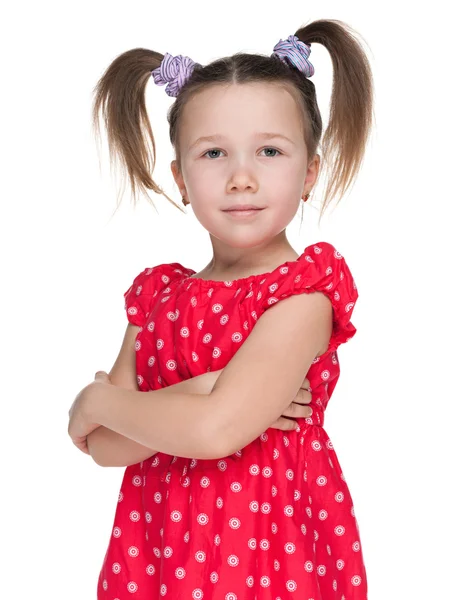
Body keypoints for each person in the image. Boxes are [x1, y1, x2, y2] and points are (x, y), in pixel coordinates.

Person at [69, 18, 374, 599]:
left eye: (269, 151)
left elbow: (215, 433)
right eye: (213, 153)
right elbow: (107, 448)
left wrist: (101, 400)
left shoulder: (301, 294)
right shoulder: (158, 296)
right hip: (160, 544)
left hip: (268, 549)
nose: (241, 178)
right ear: (182, 178)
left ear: (309, 172)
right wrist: (207, 386)